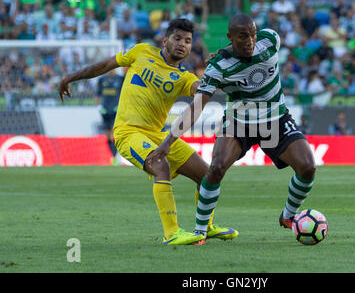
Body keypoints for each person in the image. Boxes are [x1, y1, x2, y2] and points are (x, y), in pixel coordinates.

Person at [58, 18, 237, 245]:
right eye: (177, 38)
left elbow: (204, 92)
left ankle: (207, 226)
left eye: (188, 41)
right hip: (128, 132)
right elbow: (105, 65)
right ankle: (172, 233)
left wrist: (224, 72)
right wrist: (70, 77)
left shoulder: (184, 78)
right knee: (159, 166)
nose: (182, 44)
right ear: (165, 40)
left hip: (157, 134)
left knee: (208, 176)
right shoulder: (141, 51)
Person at [148, 14, 316, 243]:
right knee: (215, 168)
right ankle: (200, 230)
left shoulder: (271, 40)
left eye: (252, 35)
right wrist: (167, 143)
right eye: (243, 37)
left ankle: (288, 215)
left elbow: (255, 40)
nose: (250, 41)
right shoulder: (218, 66)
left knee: (307, 167)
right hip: (239, 123)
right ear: (230, 37)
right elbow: (197, 107)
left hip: (275, 118)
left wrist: (230, 48)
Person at [95, 69, 124, 161]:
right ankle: (113, 155)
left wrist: (121, 105)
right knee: (107, 134)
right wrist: (99, 106)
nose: (111, 71)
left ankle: (116, 155)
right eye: (109, 69)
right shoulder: (102, 80)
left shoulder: (121, 79)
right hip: (105, 111)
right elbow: (97, 94)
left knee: (114, 133)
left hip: (116, 110)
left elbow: (125, 92)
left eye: (113, 69)